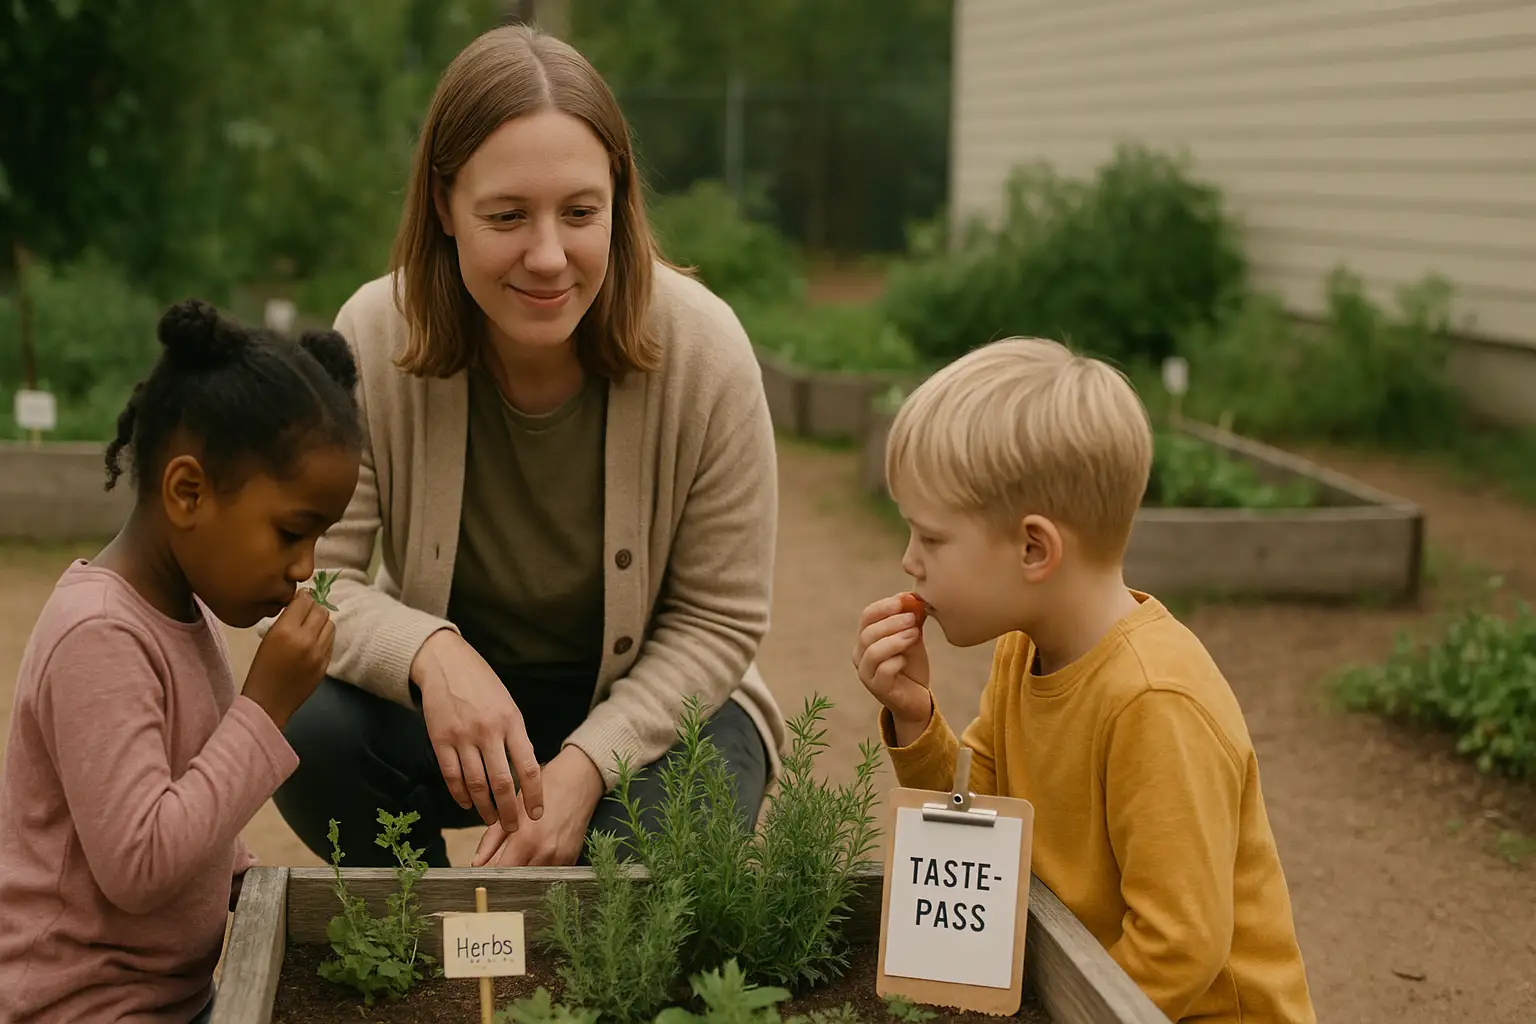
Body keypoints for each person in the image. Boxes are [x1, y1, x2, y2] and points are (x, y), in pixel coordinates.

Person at [268, 23, 787, 872]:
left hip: (655, 704)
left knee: (651, 863)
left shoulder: (706, 349)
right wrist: (433, 654)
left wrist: (588, 767)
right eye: (506, 216)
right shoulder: (371, 333)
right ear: (443, 205)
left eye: (580, 213)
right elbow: (320, 583)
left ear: (618, 198)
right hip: (451, 706)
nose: (548, 257)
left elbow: (718, 619)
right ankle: (418, 937)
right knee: (301, 724)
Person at [853, 337, 1317, 1023]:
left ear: (1034, 548)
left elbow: (1179, 950)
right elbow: (981, 818)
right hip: (1090, 993)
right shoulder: (1024, 651)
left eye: (932, 538)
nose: (909, 562)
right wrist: (916, 717)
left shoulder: (1154, 701)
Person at [0, 299, 362, 1023]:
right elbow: (140, 864)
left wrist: (246, 887)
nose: (304, 567)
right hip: (80, 1008)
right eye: (293, 532)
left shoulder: (182, 611)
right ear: (188, 492)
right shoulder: (98, 636)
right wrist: (264, 710)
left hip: (171, 1000)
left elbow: (192, 802)